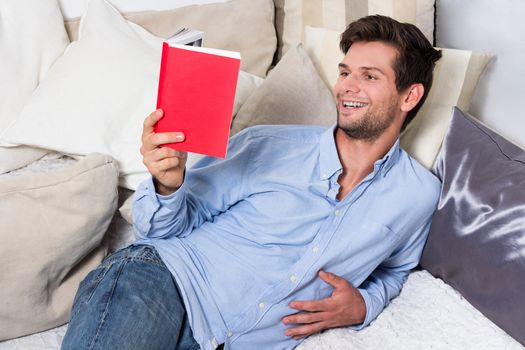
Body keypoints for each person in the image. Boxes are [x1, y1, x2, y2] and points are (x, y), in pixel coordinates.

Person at [62, 15, 442, 350]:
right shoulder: (267, 143)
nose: (347, 87)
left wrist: (364, 304)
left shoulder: (418, 194)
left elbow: (395, 271)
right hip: (162, 284)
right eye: (345, 72)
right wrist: (167, 186)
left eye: (369, 76)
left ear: (410, 95)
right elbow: (156, 232)